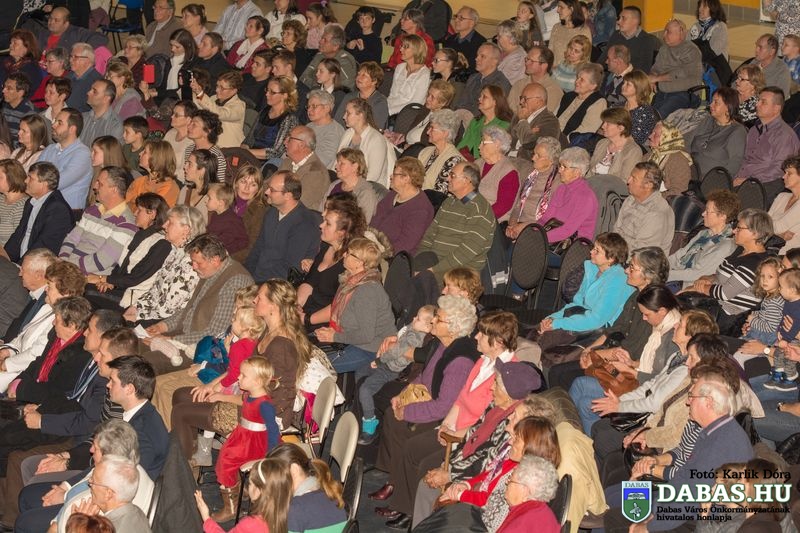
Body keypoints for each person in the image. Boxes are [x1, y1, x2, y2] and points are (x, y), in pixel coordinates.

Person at [371, 295, 480, 528]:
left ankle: (406, 506)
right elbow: (425, 376)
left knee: (407, 435)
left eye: (438, 319)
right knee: (391, 416)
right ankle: (395, 482)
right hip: (431, 401)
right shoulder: (443, 344)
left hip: (447, 419)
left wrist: (408, 412)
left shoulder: (460, 360)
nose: (433, 322)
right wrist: (404, 395)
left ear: (453, 328)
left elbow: (442, 407)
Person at [604, 373, 754, 531]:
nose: (688, 402)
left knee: (613, 517)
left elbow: (685, 502)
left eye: (692, 397)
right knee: (616, 500)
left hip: (699, 522)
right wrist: (654, 508)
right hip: (680, 505)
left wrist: (647, 527)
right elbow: (684, 478)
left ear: (708, 402)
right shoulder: (717, 430)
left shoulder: (719, 445)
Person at [569, 285, 682, 433]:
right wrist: (631, 363)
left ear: (661, 311)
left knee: (586, 402)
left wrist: (631, 371)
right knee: (580, 385)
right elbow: (653, 366)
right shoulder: (661, 328)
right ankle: (571, 435)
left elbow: (661, 380)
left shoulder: (673, 338)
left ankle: (579, 439)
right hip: (638, 382)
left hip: (644, 390)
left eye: (646, 314)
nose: (644, 318)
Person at [142, 234, 253, 373]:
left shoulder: (235, 282)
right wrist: (162, 326)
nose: (194, 267)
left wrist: (171, 339)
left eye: (198, 263)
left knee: (144, 361)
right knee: (136, 343)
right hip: (186, 334)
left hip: (202, 348)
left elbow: (215, 333)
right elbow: (190, 309)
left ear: (215, 260)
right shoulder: (210, 271)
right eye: (193, 262)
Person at [208, 356, 281, 522]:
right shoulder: (248, 394)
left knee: (227, 462)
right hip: (242, 436)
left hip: (254, 443)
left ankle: (231, 508)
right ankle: (240, 490)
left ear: (257, 382)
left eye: (243, 375)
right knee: (225, 456)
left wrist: (269, 455)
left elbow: (273, 430)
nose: (238, 377)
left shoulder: (264, 404)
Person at [681, 208, 773, 335]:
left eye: (739, 228)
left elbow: (724, 293)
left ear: (755, 234)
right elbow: (720, 276)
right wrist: (707, 278)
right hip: (714, 304)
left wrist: (698, 288)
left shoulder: (756, 262)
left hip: (727, 317)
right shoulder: (741, 251)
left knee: (673, 309)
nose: (734, 231)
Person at [314, 235, 396, 373]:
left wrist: (334, 336)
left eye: (349, 253)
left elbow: (366, 336)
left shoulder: (367, 291)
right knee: (304, 349)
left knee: (316, 367)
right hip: (348, 338)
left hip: (369, 349)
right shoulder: (350, 280)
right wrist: (331, 333)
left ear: (359, 263)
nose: (344, 254)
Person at [538, 232, 632, 349]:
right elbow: (577, 304)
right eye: (593, 248)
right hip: (584, 321)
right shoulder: (593, 269)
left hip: (603, 332)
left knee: (542, 340)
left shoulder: (617, 279)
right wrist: (552, 318)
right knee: (539, 331)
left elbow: (597, 320)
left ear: (611, 259)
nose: (591, 252)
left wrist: (557, 324)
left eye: (597, 251)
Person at [358, 304, 435, 444]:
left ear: (427, 327)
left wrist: (379, 361)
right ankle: (365, 407)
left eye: (418, 318)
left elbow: (395, 351)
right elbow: (403, 332)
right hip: (387, 364)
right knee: (361, 373)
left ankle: (370, 424)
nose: (414, 318)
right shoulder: (415, 328)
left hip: (390, 369)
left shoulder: (415, 338)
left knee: (365, 389)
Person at [0, 255, 77, 392]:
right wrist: (7, 351)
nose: (45, 290)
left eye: (50, 287)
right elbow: (21, 336)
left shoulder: (63, 322)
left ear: (64, 293)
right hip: (13, 362)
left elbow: (37, 354)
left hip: (24, 373)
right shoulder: (47, 308)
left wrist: (6, 364)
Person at [85, 192, 171, 309]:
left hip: (133, 297)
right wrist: (109, 282)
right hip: (120, 287)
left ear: (152, 214)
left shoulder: (161, 243)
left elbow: (136, 277)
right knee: (85, 287)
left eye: (139, 210)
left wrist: (102, 278)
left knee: (86, 290)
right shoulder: (139, 235)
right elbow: (121, 266)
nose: (135, 213)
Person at [415, 162, 496, 285]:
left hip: (459, 273)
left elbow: (466, 252)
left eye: (452, 175)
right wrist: (420, 260)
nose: (448, 178)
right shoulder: (449, 202)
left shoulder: (480, 210)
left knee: (411, 285)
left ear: (466, 181)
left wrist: (432, 270)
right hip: (433, 263)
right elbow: (429, 236)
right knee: (401, 272)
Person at [297, 196, 365, 332]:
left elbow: (342, 306)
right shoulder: (326, 246)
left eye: (327, 223)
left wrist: (307, 319)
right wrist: (296, 305)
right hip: (307, 312)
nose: (321, 225)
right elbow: (310, 282)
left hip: (327, 325)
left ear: (342, 233)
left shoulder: (353, 262)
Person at [59, 166, 137, 276]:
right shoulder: (92, 210)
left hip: (89, 276)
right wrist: (63, 259)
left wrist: (67, 265)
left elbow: (103, 260)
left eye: (100, 184)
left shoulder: (126, 223)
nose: (94, 187)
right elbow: (71, 239)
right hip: (68, 269)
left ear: (114, 190)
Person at [245, 171, 321, 283]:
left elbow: (289, 268)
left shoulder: (305, 223)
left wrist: (257, 282)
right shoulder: (271, 213)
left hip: (275, 284)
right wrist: (246, 274)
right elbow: (257, 249)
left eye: (272, 190)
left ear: (288, 196)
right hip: (256, 276)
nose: (266, 192)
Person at [734, 87, 800, 202]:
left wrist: (748, 180)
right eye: (758, 100)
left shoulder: (785, 135)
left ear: (776, 108)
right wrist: (737, 177)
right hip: (744, 180)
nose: (757, 104)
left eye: (763, 102)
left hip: (767, 184)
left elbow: (780, 169)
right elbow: (745, 159)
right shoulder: (754, 130)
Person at [195, 457, 292, 533]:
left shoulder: (251, 524)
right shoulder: (287, 513)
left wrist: (206, 518)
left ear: (258, 490)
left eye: (250, 483)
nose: (248, 486)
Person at [268, 443, 348, 533]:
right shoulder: (328, 491)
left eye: (274, 476)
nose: (270, 484)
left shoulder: (294, 509)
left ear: (294, 469)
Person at [668, 189, 739, 289]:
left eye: (708, 211)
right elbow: (679, 255)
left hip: (689, 287)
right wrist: (659, 266)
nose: (703, 214)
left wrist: (664, 275)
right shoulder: (704, 234)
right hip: (676, 278)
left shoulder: (726, 246)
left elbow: (696, 274)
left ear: (722, 216)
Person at [4, 161, 73, 262]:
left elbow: (44, 246)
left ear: (44, 184)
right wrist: (5, 258)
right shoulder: (31, 202)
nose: (25, 181)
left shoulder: (58, 209)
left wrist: (20, 265)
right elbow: (18, 234)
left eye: (30, 178)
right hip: (21, 261)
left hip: (38, 264)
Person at [372, 157, 434, 256]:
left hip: (393, 256)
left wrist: (376, 253)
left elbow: (406, 244)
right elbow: (374, 221)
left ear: (406, 178)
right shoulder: (392, 195)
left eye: (394, 174)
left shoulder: (420, 208)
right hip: (373, 247)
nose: (391, 176)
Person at [537, 146, 598, 244]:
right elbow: (546, 218)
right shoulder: (561, 188)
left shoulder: (586, 198)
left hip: (572, 246)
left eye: (564, 167)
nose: (559, 170)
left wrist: (539, 238)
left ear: (577, 172)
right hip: (551, 239)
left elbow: (567, 230)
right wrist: (534, 230)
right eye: (560, 166)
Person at [506, 137, 562, 242]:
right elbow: (517, 204)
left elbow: (552, 217)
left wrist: (524, 226)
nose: (533, 158)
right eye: (534, 153)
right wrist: (512, 224)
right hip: (516, 223)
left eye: (538, 155)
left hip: (537, 228)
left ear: (551, 160)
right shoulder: (528, 172)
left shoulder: (559, 183)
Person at [38, 107, 93, 210]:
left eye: (59, 123)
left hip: (69, 212)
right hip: (44, 208)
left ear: (72, 129)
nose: (53, 125)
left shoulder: (83, 154)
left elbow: (56, 183)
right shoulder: (50, 149)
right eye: (55, 121)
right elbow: (34, 175)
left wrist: (37, 183)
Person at [614, 162, 675, 255]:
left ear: (648, 185)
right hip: (618, 253)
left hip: (638, 261)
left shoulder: (657, 213)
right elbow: (616, 230)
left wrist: (611, 255)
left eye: (633, 178)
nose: (628, 181)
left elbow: (642, 254)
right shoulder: (631, 199)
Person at [80, 456, 152, 533]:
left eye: (93, 481)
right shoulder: (137, 512)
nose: (89, 482)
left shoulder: (110, 529)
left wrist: (79, 526)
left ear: (108, 494)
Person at [688, 86, 747, 178]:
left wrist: (717, 180)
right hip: (690, 169)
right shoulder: (707, 120)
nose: (711, 105)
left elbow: (735, 163)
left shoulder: (737, 131)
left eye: (716, 102)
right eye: (712, 101)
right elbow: (688, 142)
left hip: (710, 179)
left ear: (728, 107)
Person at [649, 19, 703, 118]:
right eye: (665, 31)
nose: (664, 35)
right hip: (664, 91)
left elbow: (682, 73)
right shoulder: (664, 49)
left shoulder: (691, 50)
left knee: (657, 116)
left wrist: (657, 78)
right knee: (649, 114)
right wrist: (652, 77)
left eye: (668, 32)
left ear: (681, 34)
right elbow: (656, 68)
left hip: (686, 93)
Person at [335, 98, 394, 187]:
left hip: (369, 188)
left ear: (360, 115)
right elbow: (337, 162)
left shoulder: (376, 139)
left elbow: (373, 176)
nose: (344, 117)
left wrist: (353, 187)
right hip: (346, 183)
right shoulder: (348, 133)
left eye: (348, 113)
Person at [497, 455, 560, 533]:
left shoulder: (521, 523)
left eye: (511, 480)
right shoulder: (543, 512)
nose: (507, 482)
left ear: (524, 491)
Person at [244, 75, 299, 164]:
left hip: (268, 164)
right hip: (250, 156)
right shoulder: (264, 111)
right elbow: (248, 139)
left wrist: (247, 152)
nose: (267, 94)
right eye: (267, 90)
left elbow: (276, 152)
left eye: (272, 92)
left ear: (284, 95)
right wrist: (243, 149)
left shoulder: (289, 119)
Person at [276, 125, 329, 209]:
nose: (285, 142)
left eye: (289, 139)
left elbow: (297, 204)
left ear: (302, 145)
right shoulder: (287, 162)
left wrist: (270, 198)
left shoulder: (316, 172)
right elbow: (269, 184)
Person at [454, 43, 512, 118]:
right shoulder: (473, 78)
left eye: (482, 56)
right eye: (477, 55)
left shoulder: (500, 84)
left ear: (494, 61)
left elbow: (489, 112)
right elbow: (462, 102)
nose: (476, 59)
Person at [474, 127, 520, 222]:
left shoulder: (509, 173)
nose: (479, 146)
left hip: (490, 220)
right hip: (471, 213)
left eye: (483, 142)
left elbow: (503, 206)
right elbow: (467, 190)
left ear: (497, 144)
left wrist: (477, 217)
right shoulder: (477, 163)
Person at [192, 71, 245, 149]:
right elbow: (198, 107)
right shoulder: (213, 98)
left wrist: (200, 94)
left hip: (229, 149)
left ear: (234, 90)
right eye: (217, 86)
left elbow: (218, 113)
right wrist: (190, 89)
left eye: (222, 88)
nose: (217, 90)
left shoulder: (239, 106)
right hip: (211, 145)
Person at [457, 85, 513, 160]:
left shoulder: (503, 125)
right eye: (480, 96)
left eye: (484, 97)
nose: (479, 99)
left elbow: (494, 152)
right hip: (468, 160)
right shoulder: (476, 121)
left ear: (495, 101)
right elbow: (463, 144)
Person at [598, 6, 660, 72]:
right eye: (619, 18)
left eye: (623, 18)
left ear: (635, 21)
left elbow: (644, 70)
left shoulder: (646, 40)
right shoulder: (616, 34)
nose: (618, 22)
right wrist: (596, 69)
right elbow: (604, 58)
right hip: (613, 73)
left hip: (631, 76)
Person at [509, 82, 562, 160]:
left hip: (526, 162)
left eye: (525, 99)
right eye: (521, 98)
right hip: (507, 158)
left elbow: (531, 145)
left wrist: (522, 121)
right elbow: (508, 139)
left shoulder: (550, 121)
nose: (521, 102)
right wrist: (528, 132)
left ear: (539, 101)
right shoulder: (519, 115)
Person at [418, 109, 465, 195]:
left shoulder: (454, 160)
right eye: (429, 128)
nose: (427, 132)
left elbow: (439, 195)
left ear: (445, 133)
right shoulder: (425, 151)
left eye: (432, 128)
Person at [587, 107, 642, 180]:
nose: (603, 126)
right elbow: (590, 171)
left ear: (621, 128)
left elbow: (625, 180)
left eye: (607, 124)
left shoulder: (633, 151)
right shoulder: (602, 143)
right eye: (603, 122)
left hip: (611, 187)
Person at [326, 148, 379, 222]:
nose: (336, 167)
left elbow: (361, 223)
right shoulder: (334, 185)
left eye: (341, 163)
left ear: (355, 167)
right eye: (337, 162)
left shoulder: (366, 193)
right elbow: (321, 210)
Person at [556, 62, 607, 139]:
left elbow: (585, 131)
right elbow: (554, 117)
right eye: (577, 78)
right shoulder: (569, 96)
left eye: (582, 80)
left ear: (593, 86)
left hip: (570, 142)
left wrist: (560, 139)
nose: (577, 81)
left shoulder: (599, 103)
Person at [508, 46, 563, 115]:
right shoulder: (519, 84)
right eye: (527, 59)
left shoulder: (553, 90)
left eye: (531, 61)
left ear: (544, 65)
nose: (526, 63)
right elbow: (508, 110)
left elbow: (543, 117)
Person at [334, 61, 388, 131]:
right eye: (358, 74)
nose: (358, 78)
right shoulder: (350, 96)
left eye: (364, 75)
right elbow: (337, 121)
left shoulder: (379, 101)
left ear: (374, 81)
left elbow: (376, 127)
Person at [299, 25, 356, 91]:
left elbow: (346, 88)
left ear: (335, 46)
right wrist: (316, 87)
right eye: (322, 38)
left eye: (325, 40)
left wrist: (318, 86)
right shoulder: (320, 55)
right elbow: (304, 78)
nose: (320, 42)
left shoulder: (345, 61)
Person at [126, 140, 180, 208]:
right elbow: (126, 204)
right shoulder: (139, 181)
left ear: (156, 158)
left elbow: (151, 210)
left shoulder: (169, 187)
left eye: (145, 152)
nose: (140, 154)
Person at [387, 34, 431, 117]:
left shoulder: (424, 74)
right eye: (401, 46)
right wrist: (383, 107)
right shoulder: (400, 67)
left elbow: (415, 104)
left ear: (416, 50)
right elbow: (392, 95)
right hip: (389, 109)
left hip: (405, 115)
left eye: (405, 47)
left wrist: (389, 111)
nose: (401, 49)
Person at [646, 121, 692, 198]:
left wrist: (650, 198)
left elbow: (679, 192)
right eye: (652, 133)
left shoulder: (678, 161)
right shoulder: (650, 155)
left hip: (663, 202)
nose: (650, 136)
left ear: (666, 138)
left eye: (655, 134)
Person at [184, 108, 227, 183]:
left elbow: (219, 185)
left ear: (207, 131)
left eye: (194, 125)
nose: (188, 126)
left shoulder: (216, 156)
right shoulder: (189, 149)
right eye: (190, 123)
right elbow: (188, 181)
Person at [306, 90, 344, 168]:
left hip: (318, 171)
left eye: (314, 106)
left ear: (327, 108)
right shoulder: (309, 126)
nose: (309, 110)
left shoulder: (334, 130)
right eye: (308, 107)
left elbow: (322, 160)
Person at [441, 7, 486, 71]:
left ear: (472, 23)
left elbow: (475, 69)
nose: (456, 20)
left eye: (461, 18)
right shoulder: (450, 39)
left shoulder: (481, 43)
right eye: (456, 16)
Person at [548, 0, 592, 65]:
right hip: (553, 68)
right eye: (558, 7)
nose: (557, 10)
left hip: (572, 70)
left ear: (571, 9)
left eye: (561, 7)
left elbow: (585, 59)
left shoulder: (584, 31)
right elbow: (550, 52)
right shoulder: (556, 27)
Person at [65, 43, 103, 114]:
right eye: (71, 56)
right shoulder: (69, 76)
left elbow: (91, 111)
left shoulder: (96, 82)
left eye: (75, 57)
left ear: (87, 60)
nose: (70, 60)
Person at [0, 159, 30, 248]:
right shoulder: (1, 199)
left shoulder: (23, 205)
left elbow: (19, 241)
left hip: (7, 253)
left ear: (12, 178)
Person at [2, 74, 35, 149]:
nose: (3, 91)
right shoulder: (3, 106)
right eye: (4, 86)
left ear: (20, 93)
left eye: (9, 88)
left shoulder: (29, 112)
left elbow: (26, 143)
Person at [754, 33, 792, 98]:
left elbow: (780, 98)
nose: (756, 50)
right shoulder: (754, 62)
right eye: (756, 46)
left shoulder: (782, 71)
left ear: (772, 51)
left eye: (760, 47)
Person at [601, 44, 633, 109]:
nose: (606, 62)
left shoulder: (634, 81)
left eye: (609, 59)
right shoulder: (606, 76)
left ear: (618, 62)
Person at [496, 19, 527, 85]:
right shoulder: (501, 51)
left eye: (499, 36)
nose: (496, 38)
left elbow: (508, 84)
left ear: (511, 38)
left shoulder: (518, 59)